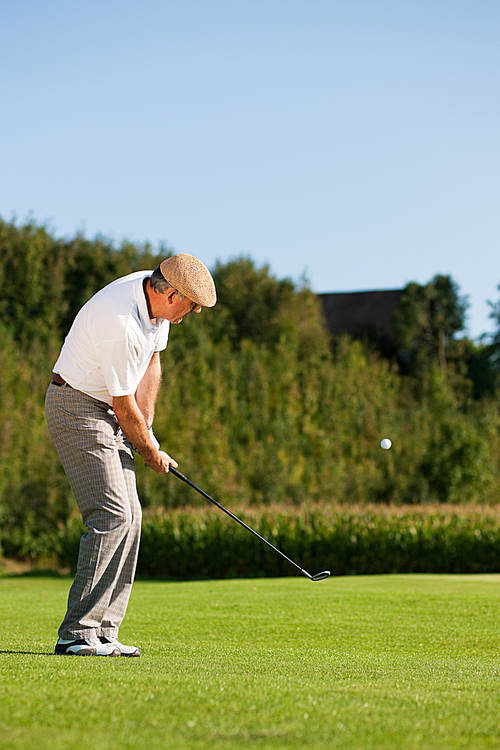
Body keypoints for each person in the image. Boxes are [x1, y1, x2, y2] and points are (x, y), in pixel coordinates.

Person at [45, 253, 216, 657]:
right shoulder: (118, 319)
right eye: (190, 306)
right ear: (171, 293)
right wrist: (150, 450)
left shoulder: (156, 307)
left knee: (132, 517)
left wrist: (149, 430)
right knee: (111, 515)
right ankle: (76, 633)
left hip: (107, 409)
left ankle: (104, 630)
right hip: (76, 406)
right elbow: (123, 403)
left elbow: (151, 364)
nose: (190, 314)